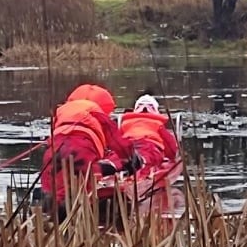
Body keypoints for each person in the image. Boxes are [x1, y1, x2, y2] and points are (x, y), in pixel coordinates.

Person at [41, 84, 141, 219]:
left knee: (55, 186)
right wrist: (130, 158)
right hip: (81, 150)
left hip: (54, 150)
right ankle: (77, 220)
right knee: (84, 186)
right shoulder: (97, 113)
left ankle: (49, 215)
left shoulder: (61, 111)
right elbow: (117, 141)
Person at [119, 94, 179, 170]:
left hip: (128, 144)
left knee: (118, 155)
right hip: (149, 144)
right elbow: (171, 149)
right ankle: (141, 161)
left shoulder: (126, 123)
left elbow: (116, 141)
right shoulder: (158, 124)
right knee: (149, 155)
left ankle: (111, 165)